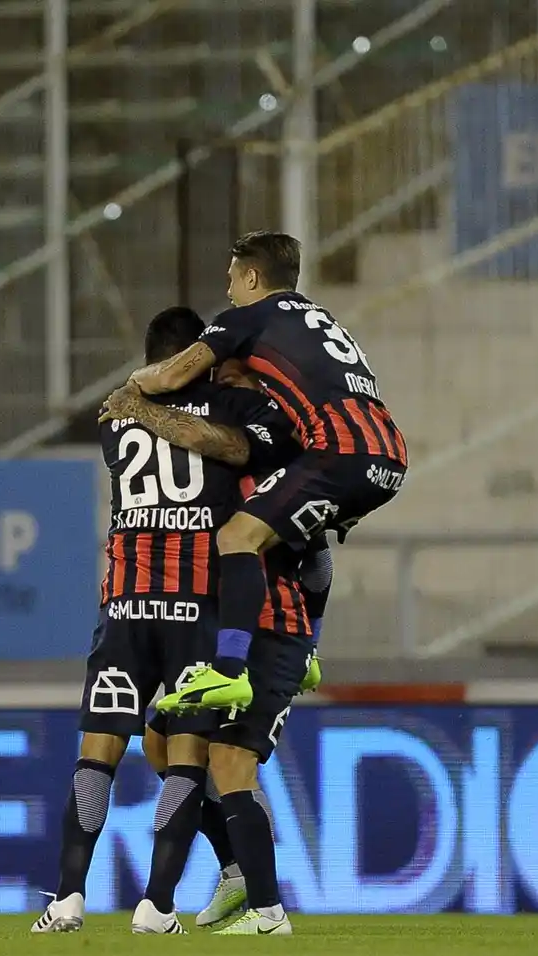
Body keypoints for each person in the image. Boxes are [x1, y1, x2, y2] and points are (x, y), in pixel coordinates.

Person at [32, 307, 310, 936]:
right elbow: (236, 449)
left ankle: (68, 898)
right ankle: (157, 906)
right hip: (196, 606)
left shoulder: (115, 420)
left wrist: (141, 402)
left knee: (97, 751)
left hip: (126, 604)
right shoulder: (230, 410)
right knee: (188, 756)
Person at [136, 232, 406, 718]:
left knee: (238, 535)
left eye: (232, 278)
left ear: (252, 276)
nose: (229, 290)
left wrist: (134, 388)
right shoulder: (324, 321)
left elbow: (170, 376)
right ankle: (306, 655)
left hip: (340, 451)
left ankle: (228, 670)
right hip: (386, 452)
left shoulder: (249, 317)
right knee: (305, 537)